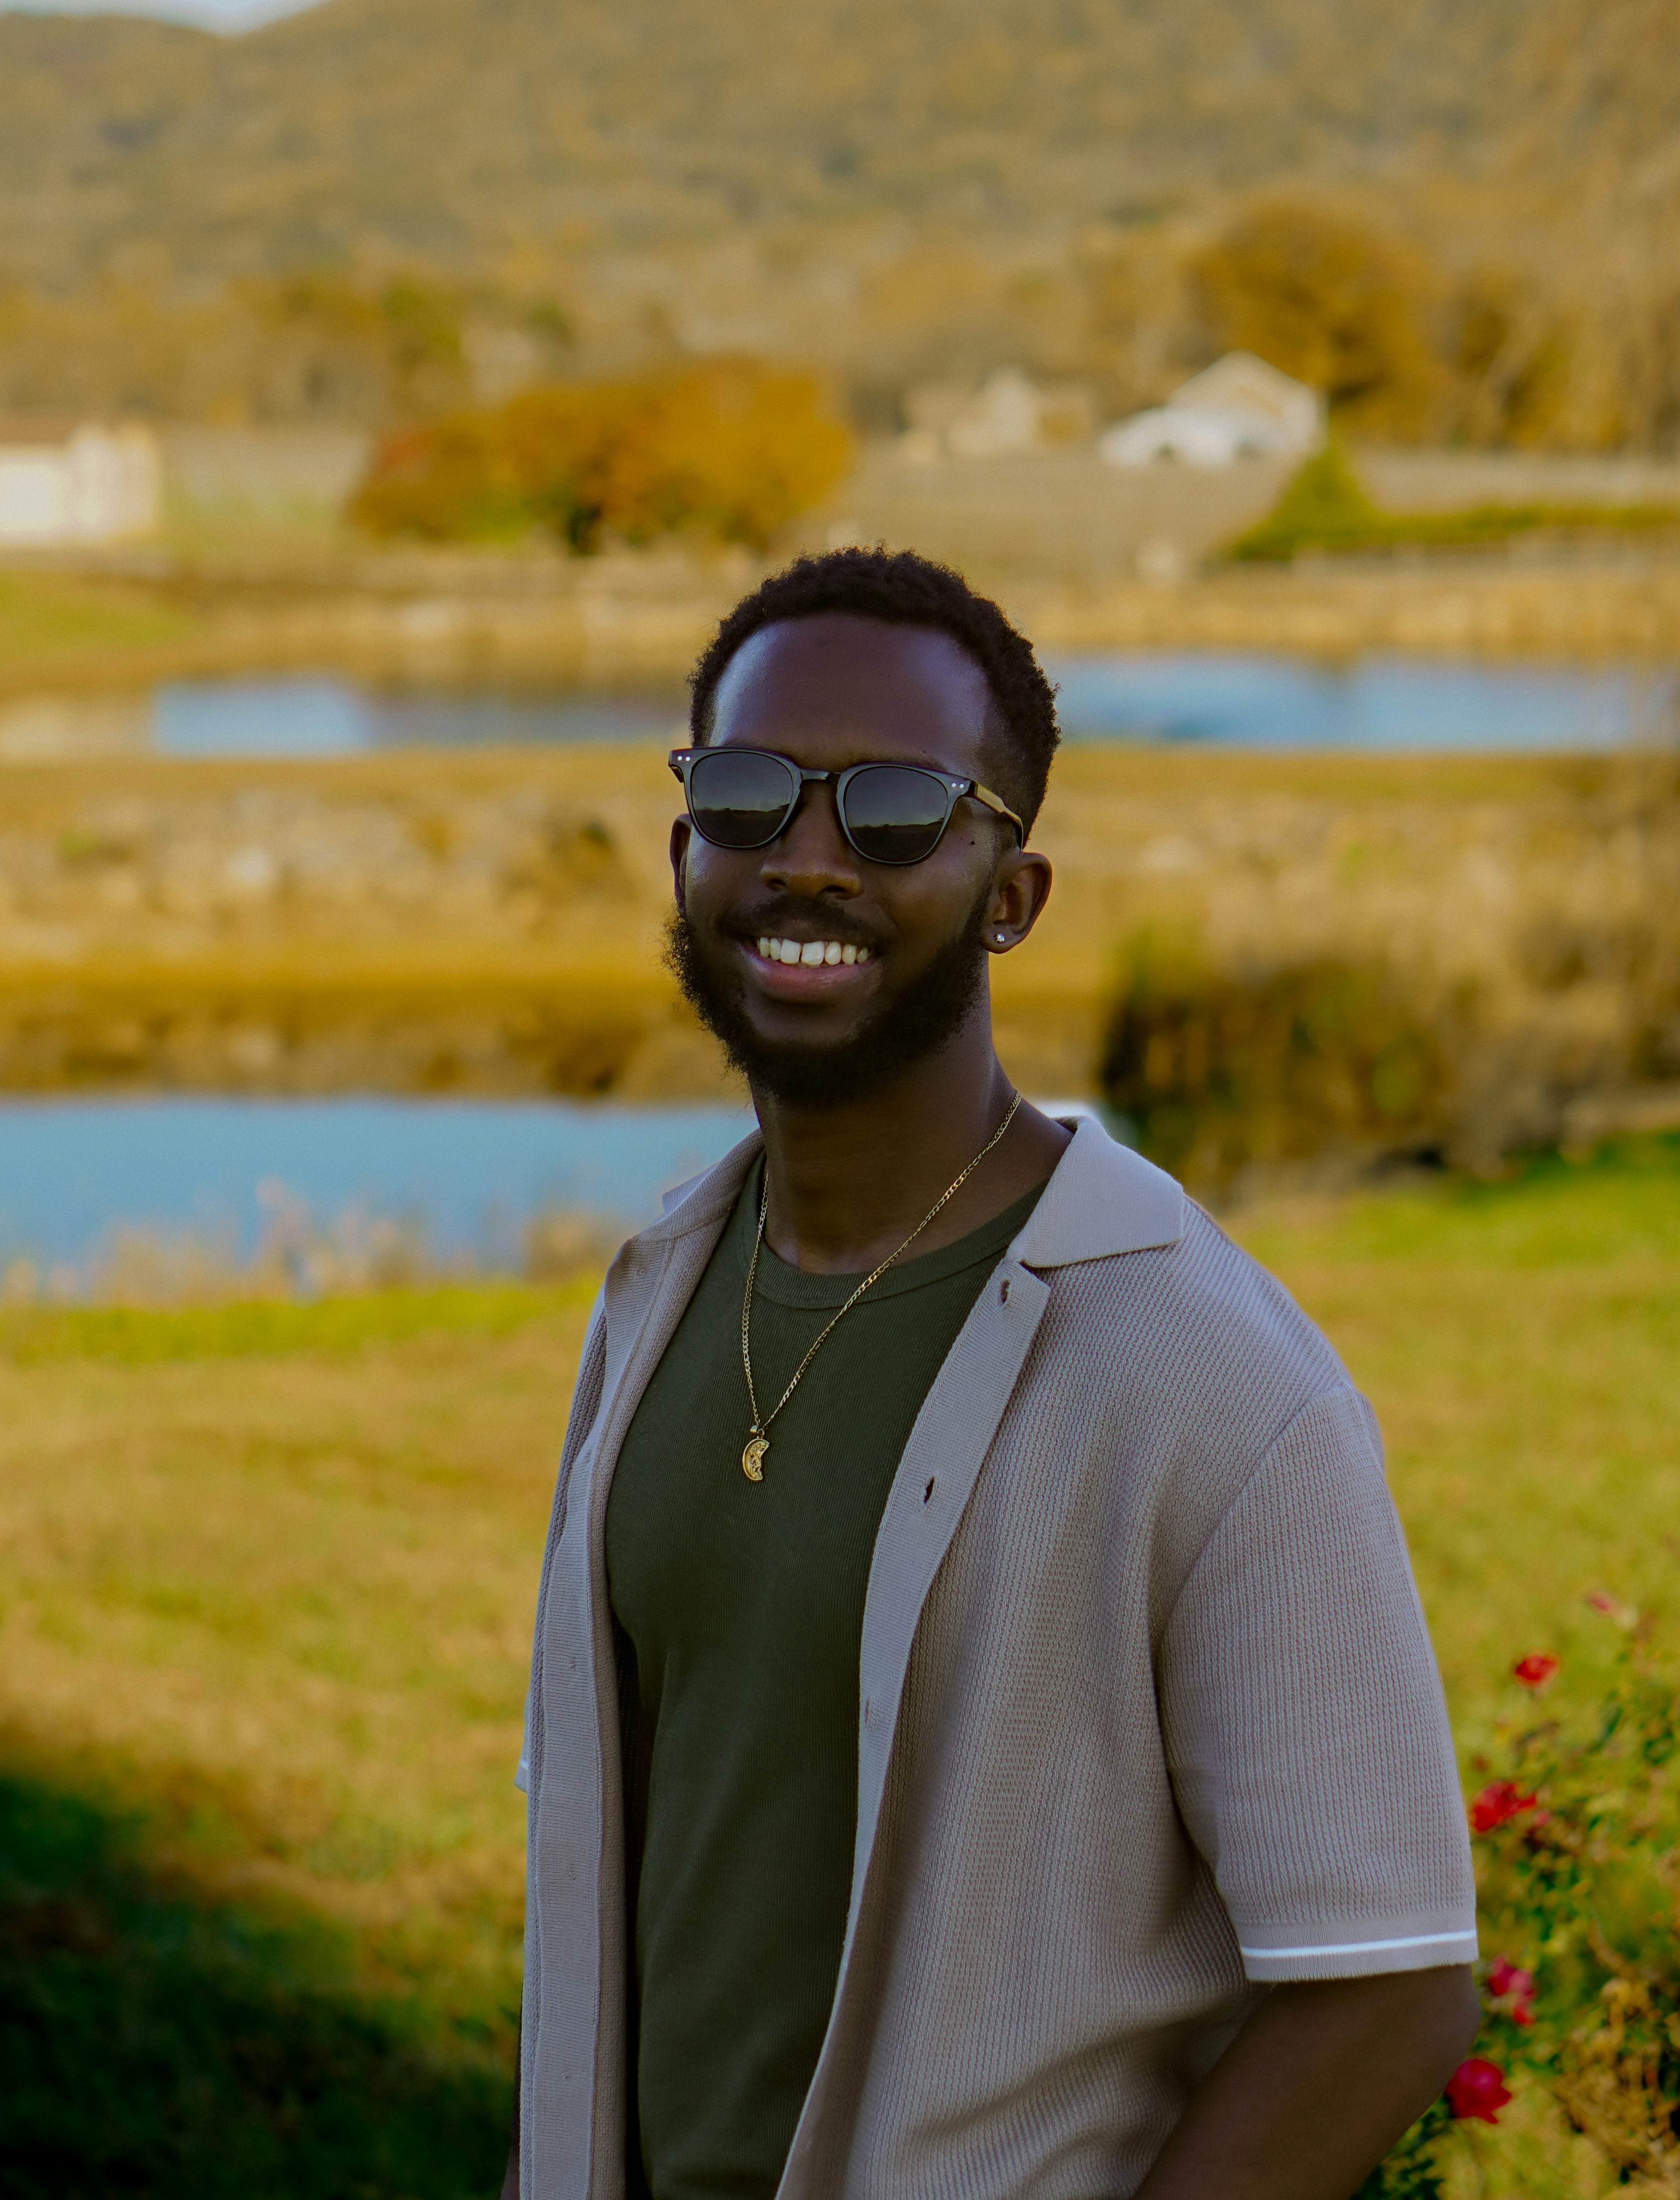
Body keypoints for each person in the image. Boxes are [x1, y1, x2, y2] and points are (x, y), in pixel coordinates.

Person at [508, 547, 1478, 2200]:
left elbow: (1387, 1988)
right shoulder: (660, 1290)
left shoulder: (1208, 1379)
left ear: (1012, 894)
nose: (804, 860)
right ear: (683, 851)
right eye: (746, 796)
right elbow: (626, 1863)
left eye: (891, 810)